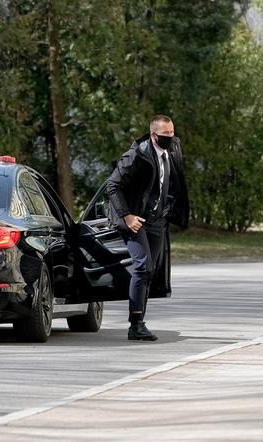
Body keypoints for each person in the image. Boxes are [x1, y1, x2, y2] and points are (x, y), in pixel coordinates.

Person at [106, 115, 189, 341]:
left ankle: (139, 319)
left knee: (151, 270)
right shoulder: (137, 155)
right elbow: (112, 185)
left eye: (172, 133)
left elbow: (172, 181)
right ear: (154, 135)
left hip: (156, 220)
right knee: (142, 266)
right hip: (133, 218)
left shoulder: (172, 150)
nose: (170, 138)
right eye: (166, 135)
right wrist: (126, 216)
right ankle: (136, 324)